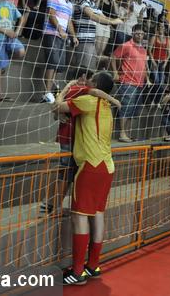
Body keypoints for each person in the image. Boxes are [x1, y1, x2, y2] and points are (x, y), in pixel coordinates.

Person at [53, 72, 117, 285]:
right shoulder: (106, 106)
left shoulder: (88, 101)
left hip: (91, 166)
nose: (86, 81)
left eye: (90, 79)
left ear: (95, 84)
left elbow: (57, 106)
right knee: (97, 214)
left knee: (79, 216)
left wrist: (66, 88)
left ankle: (78, 272)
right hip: (107, 166)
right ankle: (93, 266)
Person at [41, 71, 121, 215]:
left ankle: (54, 204)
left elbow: (57, 109)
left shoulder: (91, 95)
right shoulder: (80, 91)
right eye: (86, 77)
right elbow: (55, 108)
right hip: (70, 137)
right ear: (80, 77)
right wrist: (58, 112)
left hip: (78, 140)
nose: (86, 80)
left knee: (69, 173)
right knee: (65, 172)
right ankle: (53, 205)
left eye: (90, 78)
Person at [72, 0, 123, 75]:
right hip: (84, 40)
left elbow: (103, 17)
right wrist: (112, 22)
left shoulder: (92, 4)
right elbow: (92, 16)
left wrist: (116, 19)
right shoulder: (83, 0)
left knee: (90, 71)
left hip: (91, 40)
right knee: (83, 71)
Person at [111, 24, 150, 142]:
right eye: (137, 33)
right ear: (133, 33)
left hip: (140, 84)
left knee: (133, 110)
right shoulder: (126, 45)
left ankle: (126, 133)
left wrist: (147, 79)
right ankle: (122, 133)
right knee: (126, 108)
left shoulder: (143, 50)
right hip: (128, 82)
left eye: (142, 33)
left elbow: (144, 67)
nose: (140, 35)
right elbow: (113, 56)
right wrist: (115, 72)